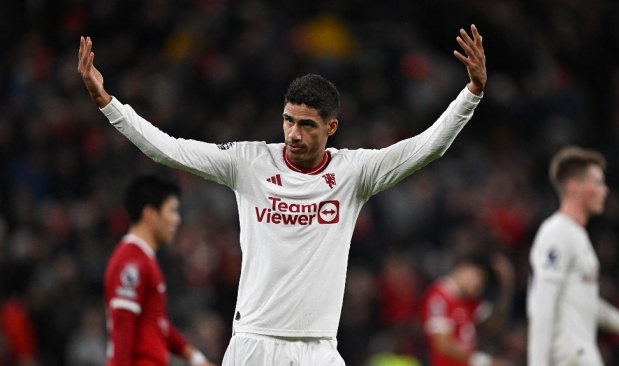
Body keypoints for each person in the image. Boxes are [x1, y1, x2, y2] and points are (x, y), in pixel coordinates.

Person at [79, 24, 487, 365]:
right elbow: (167, 148)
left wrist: (470, 95)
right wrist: (108, 104)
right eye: (289, 120)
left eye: (307, 125)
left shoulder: (353, 173)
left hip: (319, 348)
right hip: (253, 342)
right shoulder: (249, 163)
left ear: (332, 127)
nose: (293, 134)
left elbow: (426, 147)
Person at [527, 146, 619, 365]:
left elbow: (583, 302)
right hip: (568, 358)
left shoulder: (577, 235)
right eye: (598, 182)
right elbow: (541, 305)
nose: (605, 191)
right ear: (575, 187)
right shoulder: (557, 232)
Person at [103, 175, 215, 366]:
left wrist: (195, 358)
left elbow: (157, 323)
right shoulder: (132, 262)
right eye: (172, 211)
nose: (177, 220)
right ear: (150, 214)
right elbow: (123, 325)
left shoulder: (143, 259)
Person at [419, 253, 514, 366]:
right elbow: (443, 344)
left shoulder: (470, 301)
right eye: (479, 278)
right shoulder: (438, 297)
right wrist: (484, 361)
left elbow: (496, 324)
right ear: (464, 267)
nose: (479, 286)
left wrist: (507, 286)